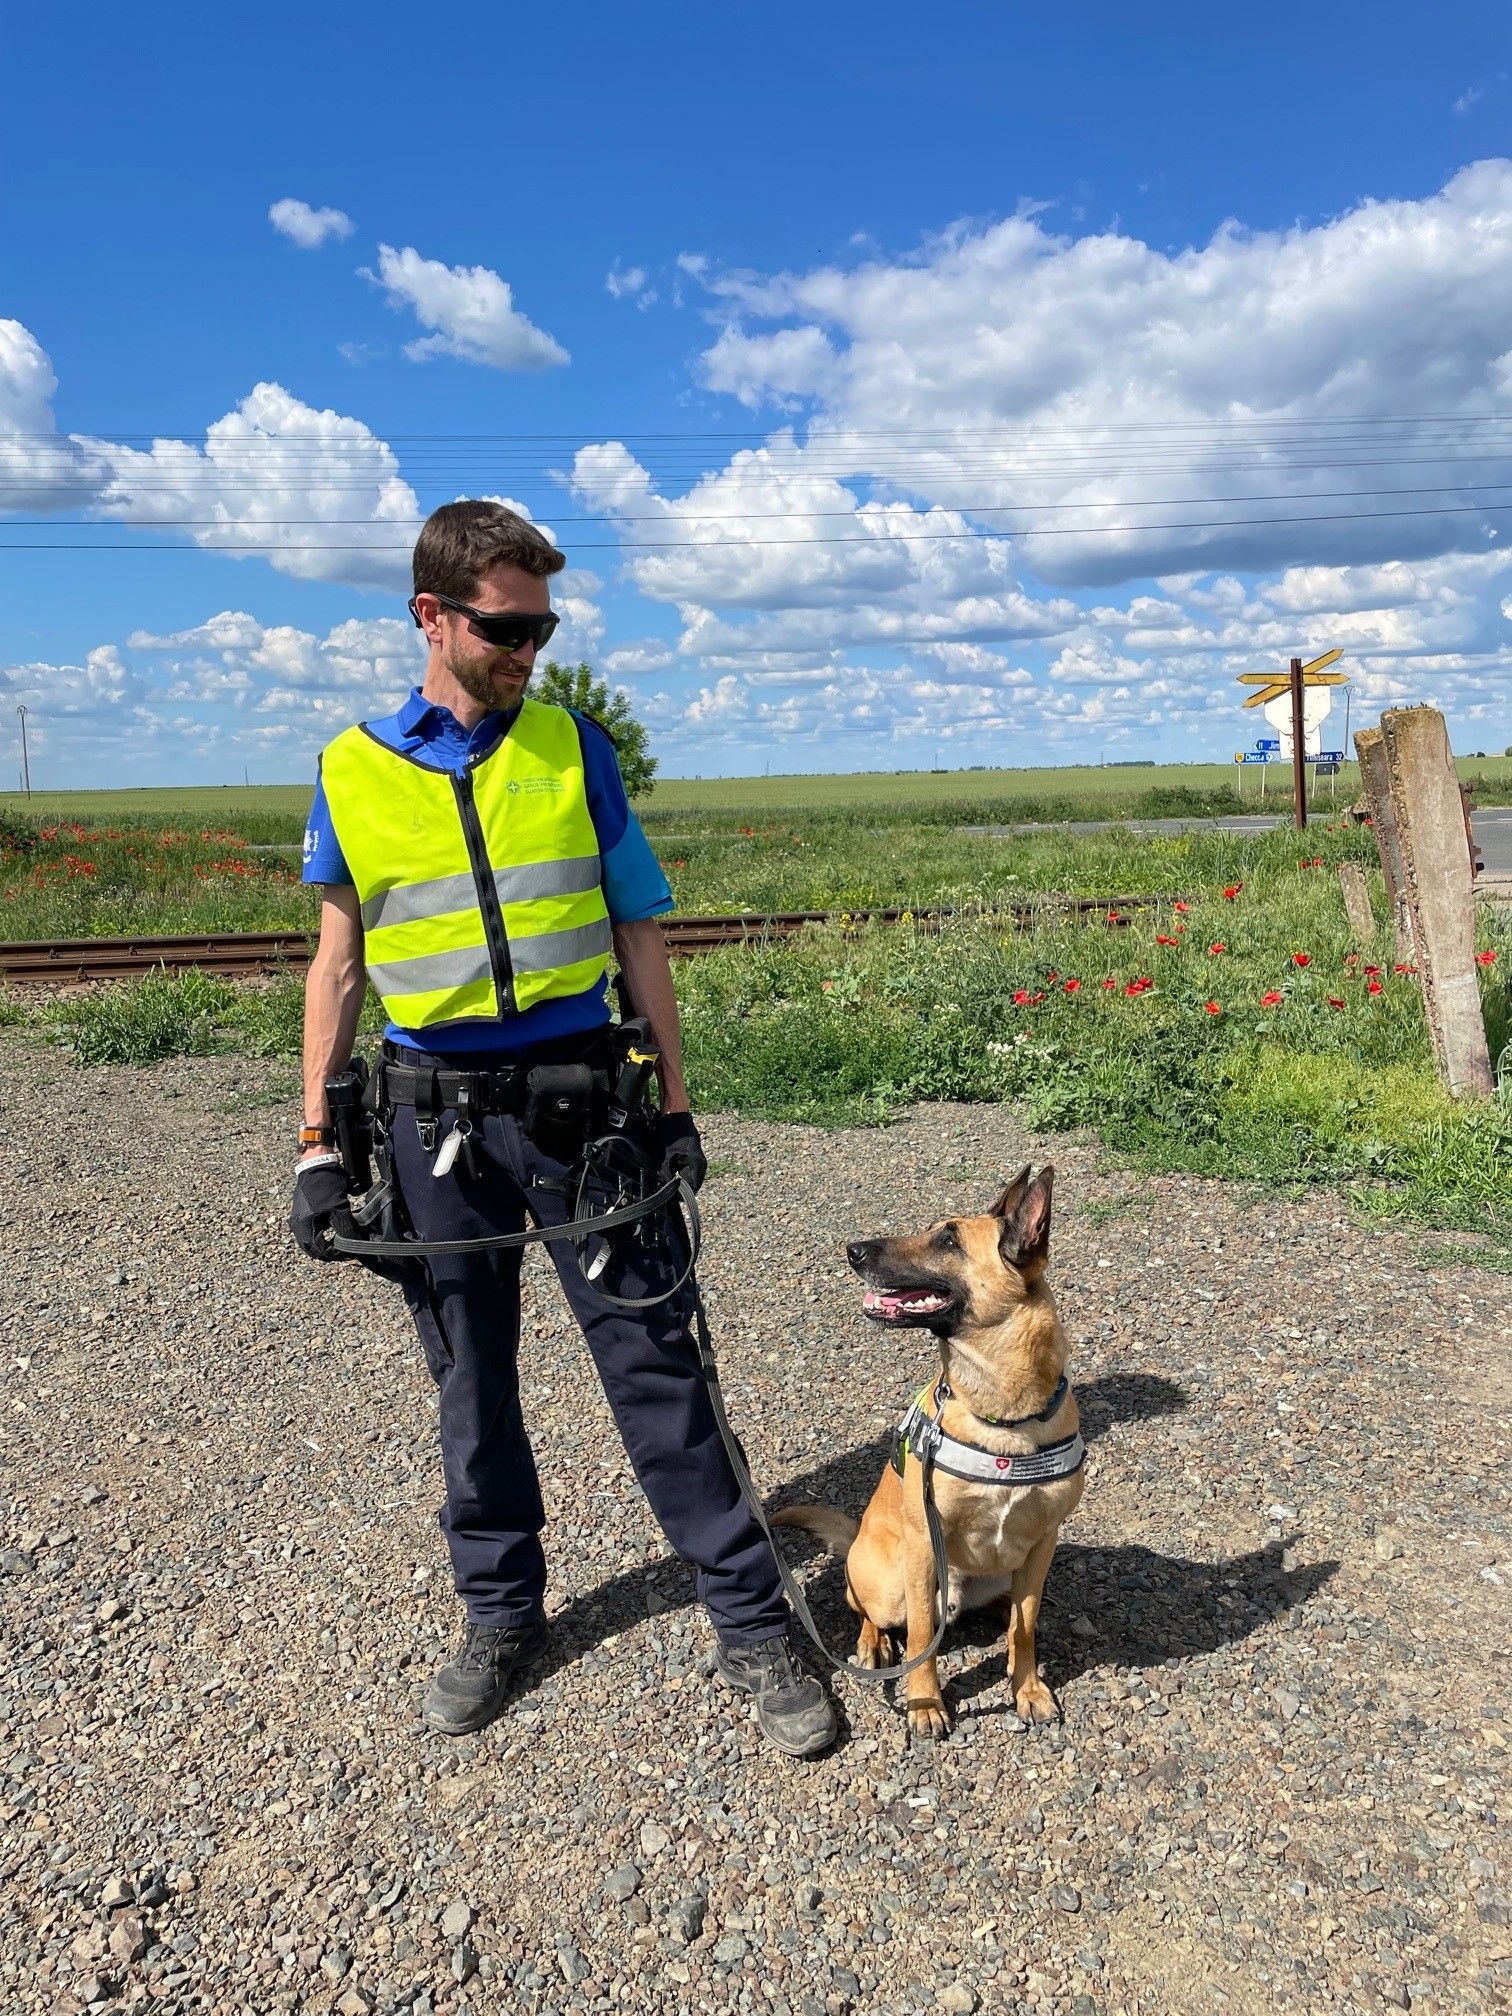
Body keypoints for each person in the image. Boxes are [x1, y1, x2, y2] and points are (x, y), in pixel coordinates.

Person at [289, 500, 836, 1758]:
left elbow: (642, 932)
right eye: (507, 626)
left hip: (583, 1106)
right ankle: (500, 1612)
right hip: (433, 1126)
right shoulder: (348, 770)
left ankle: (753, 1623)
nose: (529, 651)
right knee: (470, 1384)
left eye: (543, 627)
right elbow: (336, 968)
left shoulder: (574, 748)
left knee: (658, 1368)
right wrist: (316, 1145)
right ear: (431, 615)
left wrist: (681, 1107)